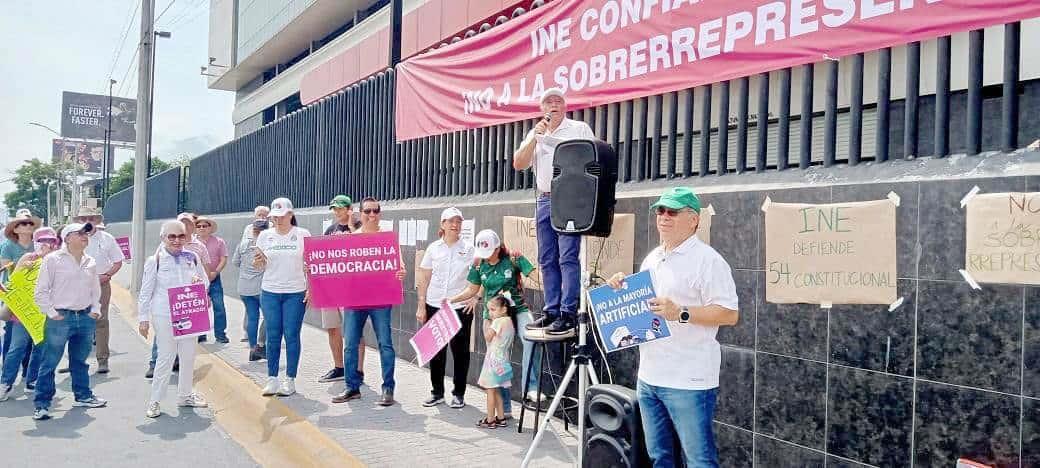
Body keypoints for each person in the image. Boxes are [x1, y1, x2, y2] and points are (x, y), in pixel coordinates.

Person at [605, 187, 739, 467]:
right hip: (650, 377)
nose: (664, 217)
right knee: (659, 457)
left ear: (693, 220)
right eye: (661, 211)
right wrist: (621, 287)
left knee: (699, 461)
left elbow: (729, 314)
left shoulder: (709, 261)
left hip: (689, 380)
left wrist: (681, 313)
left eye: (672, 211)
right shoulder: (653, 257)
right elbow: (643, 305)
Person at [512, 87, 595, 335]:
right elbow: (518, 163)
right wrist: (534, 139)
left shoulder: (579, 128)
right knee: (547, 258)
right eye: (549, 102)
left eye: (558, 101)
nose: (554, 105)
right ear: (542, 109)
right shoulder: (535, 132)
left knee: (567, 256)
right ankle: (551, 310)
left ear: (565, 106)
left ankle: (569, 312)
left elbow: (593, 158)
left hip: (570, 197)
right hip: (545, 198)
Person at [449, 229, 542, 416]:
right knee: (498, 360)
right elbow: (472, 290)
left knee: (531, 340)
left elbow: (535, 275)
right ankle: (504, 408)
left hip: (517, 310)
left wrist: (556, 284)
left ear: (498, 248)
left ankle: (530, 388)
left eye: (490, 252)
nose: (487, 257)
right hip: (492, 316)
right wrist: (450, 300)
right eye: (483, 254)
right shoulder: (478, 265)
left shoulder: (513, 259)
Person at [332, 197, 405, 406]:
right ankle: (352, 387)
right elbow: (339, 268)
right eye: (368, 211)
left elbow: (398, 265)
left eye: (376, 211)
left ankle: (388, 388)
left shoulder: (388, 239)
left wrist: (401, 272)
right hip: (355, 299)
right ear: (360, 214)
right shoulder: (351, 239)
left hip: (381, 299)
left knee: (385, 344)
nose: (372, 215)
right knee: (350, 344)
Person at [32, 222, 108, 420]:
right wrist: (51, 312)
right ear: (67, 238)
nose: (85, 236)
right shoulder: (52, 260)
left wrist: (95, 310)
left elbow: (95, 290)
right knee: (50, 361)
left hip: (84, 317)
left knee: (80, 361)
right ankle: (42, 403)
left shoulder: (90, 261)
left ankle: (82, 395)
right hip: (60, 317)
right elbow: (40, 291)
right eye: (80, 233)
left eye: (86, 233)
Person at [138, 220, 210, 418]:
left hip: (189, 314)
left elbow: (204, 281)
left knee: (188, 356)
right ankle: (155, 400)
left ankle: (185, 395)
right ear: (163, 238)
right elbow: (146, 291)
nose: (177, 241)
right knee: (166, 356)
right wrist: (143, 318)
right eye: (172, 236)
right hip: (164, 314)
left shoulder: (192, 257)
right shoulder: (156, 260)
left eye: (181, 236)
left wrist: (200, 288)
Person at [415, 207, 477, 408]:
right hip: (434, 305)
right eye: (451, 221)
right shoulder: (434, 248)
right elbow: (424, 278)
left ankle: (459, 393)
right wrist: (421, 305)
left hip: (459, 307)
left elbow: (479, 275)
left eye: (458, 221)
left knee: (460, 353)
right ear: (442, 224)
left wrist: (475, 297)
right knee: (436, 352)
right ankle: (437, 392)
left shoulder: (469, 249)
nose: (455, 225)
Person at [253, 198, 310, 397]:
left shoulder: (302, 235)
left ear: (290, 214)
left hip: (296, 292)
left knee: (292, 335)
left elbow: (310, 264)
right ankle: (272, 379)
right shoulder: (265, 236)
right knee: (273, 334)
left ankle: (290, 380)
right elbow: (259, 265)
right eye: (274, 217)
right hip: (270, 291)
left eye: (281, 216)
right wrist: (258, 263)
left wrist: (310, 287)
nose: (277, 220)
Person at [148, 213, 212, 378]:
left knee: (188, 344)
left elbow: (204, 272)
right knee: (164, 343)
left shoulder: (198, 248)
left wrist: (203, 293)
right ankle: (155, 364)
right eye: (182, 223)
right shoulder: (163, 250)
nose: (177, 238)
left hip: (189, 304)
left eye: (188, 224)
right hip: (168, 305)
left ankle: (184, 385)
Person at [0, 227, 60, 400]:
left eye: (51, 241)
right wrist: (24, 268)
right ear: (36, 242)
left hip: (45, 314)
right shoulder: (28, 258)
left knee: (40, 349)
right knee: (16, 348)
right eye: (42, 241)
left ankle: (32, 380)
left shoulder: (56, 260)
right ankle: (5, 383)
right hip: (23, 314)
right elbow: (13, 284)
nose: (47, 245)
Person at [315, 195, 366, 384]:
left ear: (349, 209)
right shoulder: (330, 230)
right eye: (334, 209)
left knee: (354, 330)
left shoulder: (360, 228)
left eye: (340, 208)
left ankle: (358, 370)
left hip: (352, 289)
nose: (336, 212)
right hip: (331, 287)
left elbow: (363, 249)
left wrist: (353, 226)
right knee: (332, 328)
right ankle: (339, 367)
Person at [73, 206, 126, 374]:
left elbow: (118, 261)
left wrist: (108, 275)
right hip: (77, 284)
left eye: (91, 219)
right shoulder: (72, 238)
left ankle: (102, 359)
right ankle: (75, 360)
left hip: (101, 283)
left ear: (96, 220)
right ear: (79, 221)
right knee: (75, 322)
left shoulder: (107, 238)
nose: (87, 222)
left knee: (100, 321)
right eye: (83, 219)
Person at [1, 210, 40, 371]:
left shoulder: (38, 244)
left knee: (33, 335)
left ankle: (27, 369)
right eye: (24, 223)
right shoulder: (7, 246)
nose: (28, 226)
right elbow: (4, 268)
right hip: (15, 294)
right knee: (13, 337)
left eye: (30, 223)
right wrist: (22, 264)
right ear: (15, 229)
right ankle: (7, 371)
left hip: (35, 294)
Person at [476, 294, 515, 429]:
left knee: (490, 390)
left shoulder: (498, 322)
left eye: (493, 310)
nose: (490, 313)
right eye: (489, 310)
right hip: (503, 359)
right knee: (496, 388)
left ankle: (490, 419)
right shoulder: (510, 321)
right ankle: (501, 417)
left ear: (504, 309)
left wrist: (488, 324)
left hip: (493, 360)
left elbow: (488, 337)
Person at [233, 219, 269, 361]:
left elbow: (235, 262)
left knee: (252, 317)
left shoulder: (242, 244)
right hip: (261, 288)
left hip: (244, 287)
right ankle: (261, 345)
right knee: (269, 317)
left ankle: (253, 348)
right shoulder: (266, 245)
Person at [195, 216, 230, 343]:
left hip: (214, 278)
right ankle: (200, 333)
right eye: (198, 226)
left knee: (219, 306)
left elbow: (223, 258)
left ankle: (220, 334)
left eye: (204, 226)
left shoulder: (219, 241)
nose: (201, 228)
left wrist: (215, 272)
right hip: (197, 280)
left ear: (210, 228)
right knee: (200, 307)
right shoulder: (192, 243)